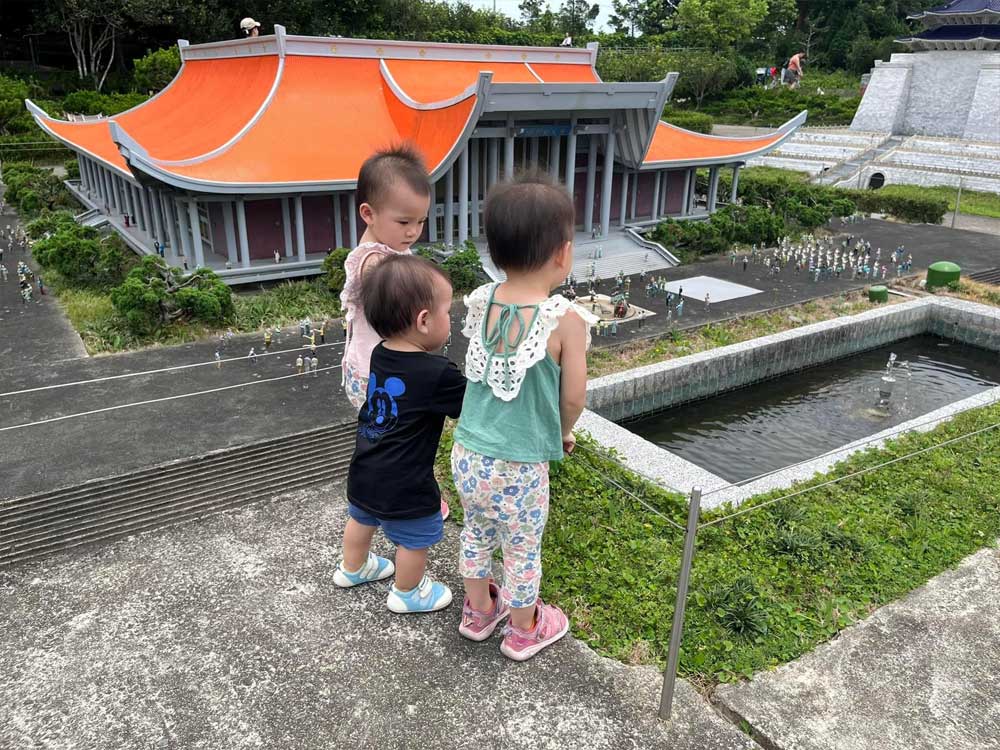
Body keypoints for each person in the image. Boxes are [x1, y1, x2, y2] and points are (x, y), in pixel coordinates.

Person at [451, 174, 591, 660]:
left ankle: (476, 612)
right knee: (521, 548)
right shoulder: (564, 319)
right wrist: (564, 430)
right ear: (563, 253)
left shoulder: (482, 301)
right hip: (520, 465)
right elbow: (573, 395)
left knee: (476, 531)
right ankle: (525, 630)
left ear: (495, 252)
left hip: (468, 454)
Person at [335, 255, 465, 614]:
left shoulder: (380, 353)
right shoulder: (437, 372)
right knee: (416, 535)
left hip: (365, 465)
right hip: (406, 480)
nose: (448, 321)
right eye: (446, 313)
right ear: (424, 321)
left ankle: (353, 567)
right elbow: (470, 406)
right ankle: (407, 592)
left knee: (361, 516)